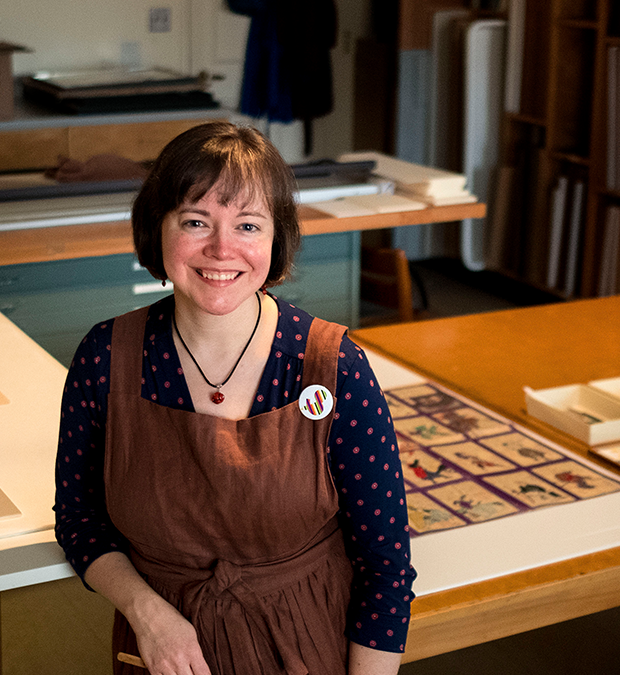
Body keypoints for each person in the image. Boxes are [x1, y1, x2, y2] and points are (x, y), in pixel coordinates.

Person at [54, 121, 415, 675]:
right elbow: (80, 521)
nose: (223, 249)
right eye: (196, 221)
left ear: (277, 239)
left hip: (306, 645)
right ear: (159, 229)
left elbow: (385, 567)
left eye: (248, 225)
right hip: (163, 654)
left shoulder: (332, 367)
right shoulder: (106, 357)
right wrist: (145, 610)